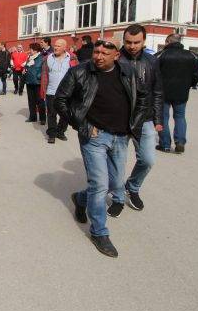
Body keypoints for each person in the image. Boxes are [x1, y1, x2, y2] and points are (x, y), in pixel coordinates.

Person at [55, 39, 147, 257]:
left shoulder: (128, 72)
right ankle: (99, 232)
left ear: (116, 55)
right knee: (99, 184)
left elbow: (143, 97)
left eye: (105, 53)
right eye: (96, 51)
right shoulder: (79, 72)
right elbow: (60, 100)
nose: (99, 56)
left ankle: (80, 198)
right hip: (94, 137)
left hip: (121, 136)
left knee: (116, 183)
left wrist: (135, 123)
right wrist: (81, 124)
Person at [118, 25, 163, 211]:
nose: (132, 46)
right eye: (128, 42)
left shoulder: (152, 61)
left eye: (136, 42)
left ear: (144, 41)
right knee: (117, 164)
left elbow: (158, 91)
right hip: (119, 119)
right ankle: (118, 198)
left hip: (145, 118)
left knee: (148, 159)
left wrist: (158, 119)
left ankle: (133, 187)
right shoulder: (115, 58)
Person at [156, 33, 198, 154]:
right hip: (182, 92)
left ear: (168, 41)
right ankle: (180, 142)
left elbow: (153, 72)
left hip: (163, 92)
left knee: (163, 118)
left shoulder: (160, 55)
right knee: (180, 117)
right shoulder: (192, 55)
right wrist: (191, 84)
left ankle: (165, 144)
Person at [40, 38, 78, 143]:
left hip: (67, 93)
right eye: (55, 45)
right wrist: (43, 89)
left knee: (65, 114)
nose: (56, 47)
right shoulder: (48, 58)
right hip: (51, 91)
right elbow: (44, 75)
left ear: (64, 47)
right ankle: (52, 134)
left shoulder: (72, 58)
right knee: (51, 114)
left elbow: (77, 75)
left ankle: (61, 132)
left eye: (59, 46)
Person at [23, 43, 45, 124]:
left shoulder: (41, 58)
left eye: (31, 49)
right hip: (29, 81)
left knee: (40, 101)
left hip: (37, 82)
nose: (30, 51)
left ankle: (42, 119)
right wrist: (25, 69)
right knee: (31, 101)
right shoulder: (29, 57)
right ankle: (33, 117)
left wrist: (39, 76)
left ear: (35, 50)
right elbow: (26, 66)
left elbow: (44, 69)